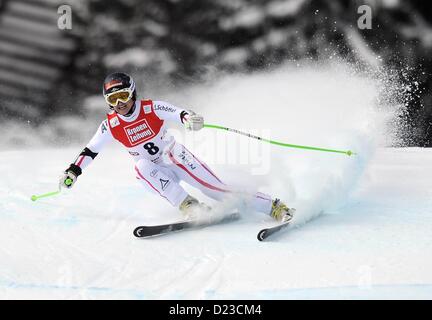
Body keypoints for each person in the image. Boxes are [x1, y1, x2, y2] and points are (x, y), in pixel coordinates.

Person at [59, 72, 295, 222]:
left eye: (122, 96)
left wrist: (189, 119)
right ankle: (188, 205)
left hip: (175, 157)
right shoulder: (109, 125)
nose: (119, 104)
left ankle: (273, 206)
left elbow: (178, 113)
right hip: (154, 172)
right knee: (140, 166)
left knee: (215, 189)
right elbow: (91, 150)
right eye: (112, 100)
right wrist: (73, 171)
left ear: (132, 93)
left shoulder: (150, 108)